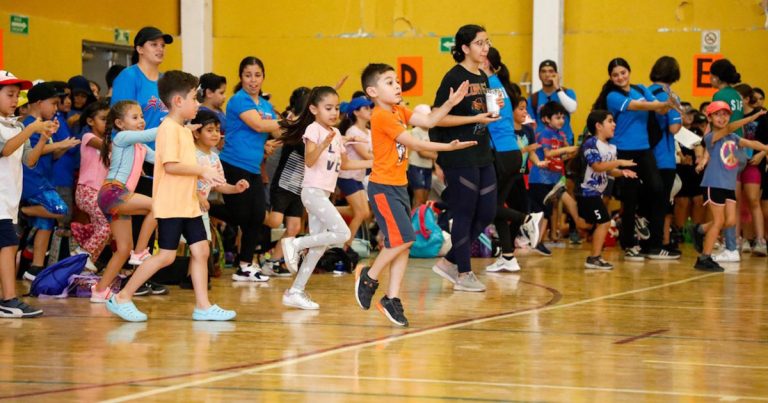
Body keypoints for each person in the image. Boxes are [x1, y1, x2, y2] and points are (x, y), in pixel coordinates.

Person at [354, 62, 476, 326]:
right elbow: (415, 143)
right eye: (389, 82)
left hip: (399, 186)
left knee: (403, 244)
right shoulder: (381, 117)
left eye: (397, 80)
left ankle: (392, 298)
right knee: (403, 240)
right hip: (382, 188)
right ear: (372, 92)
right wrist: (449, 146)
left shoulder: (398, 110)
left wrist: (450, 103)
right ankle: (369, 275)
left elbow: (430, 120)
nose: (397, 85)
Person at [107, 70, 235, 322]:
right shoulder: (167, 129)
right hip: (172, 204)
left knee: (201, 251)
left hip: (188, 204)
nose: (198, 103)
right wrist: (203, 170)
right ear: (178, 101)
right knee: (165, 256)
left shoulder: (183, 130)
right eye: (194, 98)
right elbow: (171, 166)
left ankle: (203, 306)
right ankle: (122, 297)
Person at [280, 86, 372, 310]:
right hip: (312, 191)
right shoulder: (314, 129)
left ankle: (295, 291)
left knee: (319, 247)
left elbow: (346, 165)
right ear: (314, 109)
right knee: (342, 232)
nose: (334, 112)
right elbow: (309, 161)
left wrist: (374, 163)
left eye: (337, 108)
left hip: (324, 193)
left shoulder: (337, 133)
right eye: (328, 108)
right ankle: (295, 243)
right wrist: (323, 143)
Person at [428, 24, 500, 293]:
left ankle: (449, 261)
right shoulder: (453, 77)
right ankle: (464, 273)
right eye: (480, 43)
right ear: (465, 48)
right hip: (459, 154)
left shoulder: (482, 75)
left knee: (488, 211)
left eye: (487, 42)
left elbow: (483, 112)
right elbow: (437, 117)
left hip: (482, 152)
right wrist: (475, 118)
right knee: (464, 213)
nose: (486, 48)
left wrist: (492, 111)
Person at [592, 57, 676, 261]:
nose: (620, 77)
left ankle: (641, 221)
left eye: (623, 72)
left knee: (657, 187)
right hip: (623, 151)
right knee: (629, 199)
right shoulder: (613, 96)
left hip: (644, 149)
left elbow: (658, 107)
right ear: (611, 78)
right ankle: (628, 243)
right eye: (615, 75)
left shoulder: (640, 88)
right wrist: (662, 103)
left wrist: (668, 105)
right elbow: (638, 106)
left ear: (629, 72)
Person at [89, 100, 160, 303]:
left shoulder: (140, 146)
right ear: (120, 123)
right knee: (157, 205)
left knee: (122, 249)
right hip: (113, 192)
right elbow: (152, 134)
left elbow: (161, 159)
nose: (141, 121)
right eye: (135, 117)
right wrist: (175, 125)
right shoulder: (121, 137)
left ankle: (100, 290)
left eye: (142, 117)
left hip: (118, 197)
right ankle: (140, 252)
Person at [220, 56, 281, 282]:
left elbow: (277, 133)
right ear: (241, 77)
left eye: (257, 75)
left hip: (254, 168)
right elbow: (259, 125)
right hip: (233, 164)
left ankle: (245, 265)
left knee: (256, 217)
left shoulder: (265, 106)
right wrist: (288, 122)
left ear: (263, 77)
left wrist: (301, 126)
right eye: (248, 75)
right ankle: (207, 207)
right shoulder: (238, 100)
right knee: (242, 215)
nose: (253, 80)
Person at [0, 71, 56, 317]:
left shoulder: (18, 126)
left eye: (17, 95)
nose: (15, 100)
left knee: (9, 246)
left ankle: (7, 298)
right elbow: (5, 149)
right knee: (9, 245)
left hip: (10, 200)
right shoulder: (19, 128)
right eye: (9, 95)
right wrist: (31, 128)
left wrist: (42, 138)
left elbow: (29, 161)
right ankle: (9, 299)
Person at [481, 53, 542, 272]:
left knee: (486, 206)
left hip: (502, 153)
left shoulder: (491, 85)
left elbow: (491, 118)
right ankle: (508, 257)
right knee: (496, 207)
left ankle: (527, 219)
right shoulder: (498, 85)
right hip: (510, 153)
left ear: (486, 62)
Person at [692, 102, 768, 271]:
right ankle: (704, 258)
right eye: (718, 114)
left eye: (725, 114)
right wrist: (753, 117)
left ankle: (700, 229)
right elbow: (731, 127)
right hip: (714, 183)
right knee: (719, 221)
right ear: (710, 118)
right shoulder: (711, 137)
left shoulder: (732, 137)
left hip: (728, 185)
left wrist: (765, 148)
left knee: (731, 221)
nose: (722, 118)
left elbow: (751, 144)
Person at [20, 82, 80, 280]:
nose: (56, 108)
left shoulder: (45, 125)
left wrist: (62, 147)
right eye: (53, 103)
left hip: (44, 178)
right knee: (59, 210)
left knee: (46, 222)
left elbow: (51, 156)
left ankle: (36, 268)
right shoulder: (28, 124)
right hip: (31, 180)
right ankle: (22, 211)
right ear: (38, 103)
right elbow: (30, 153)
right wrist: (59, 144)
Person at [189, 109, 250, 285]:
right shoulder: (190, 153)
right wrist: (197, 197)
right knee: (176, 249)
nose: (216, 134)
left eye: (217, 130)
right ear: (196, 132)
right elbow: (184, 180)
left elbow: (219, 185)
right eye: (209, 130)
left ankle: (193, 279)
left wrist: (235, 188)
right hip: (185, 206)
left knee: (202, 246)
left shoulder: (215, 157)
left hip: (201, 209)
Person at [578, 110, 638, 269]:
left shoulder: (611, 147)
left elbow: (608, 170)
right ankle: (594, 258)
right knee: (604, 221)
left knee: (595, 223)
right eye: (610, 121)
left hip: (597, 193)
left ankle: (595, 256)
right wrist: (619, 162)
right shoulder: (591, 143)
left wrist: (622, 172)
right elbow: (597, 166)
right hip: (587, 191)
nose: (614, 124)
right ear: (598, 126)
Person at [526, 102, 579, 255]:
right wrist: (567, 149)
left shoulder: (561, 134)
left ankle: (539, 241)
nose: (561, 120)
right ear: (546, 119)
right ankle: (536, 240)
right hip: (539, 179)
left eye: (563, 117)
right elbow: (548, 154)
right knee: (540, 212)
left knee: (547, 212)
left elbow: (563, 155)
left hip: (554, 179)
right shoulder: (544, 134)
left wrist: (574, 152)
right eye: (557, 117)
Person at [708, 59, 745, 262]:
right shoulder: (737, 95)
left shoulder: (720, 95)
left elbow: (719, 125)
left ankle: (730, 247)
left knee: (725, 198)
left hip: (726, 150)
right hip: (739, 149)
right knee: (731, 198)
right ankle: (732, 244)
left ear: (716, 77)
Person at [647, 56, 683, 252]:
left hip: (644, 154)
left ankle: (643, 244)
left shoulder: (645, 92)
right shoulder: (669, 96)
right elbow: (674, 128)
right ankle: (656, 245)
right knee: (660, 204)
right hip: (664, 156)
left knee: (645, 203)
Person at [71, 100, 111, 271]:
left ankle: (84, 267)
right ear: (90, 121)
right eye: (103, 119)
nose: (107, 123)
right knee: (106, 226)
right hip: (87, 191)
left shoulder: (109, 143)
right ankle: (83, 252)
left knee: (105, 231)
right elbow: (107, 146)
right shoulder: (88, 137)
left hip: (99, 193)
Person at [734, 83, 767, 256]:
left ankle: (760, 240)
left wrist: (762, 154)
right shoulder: (734, 116)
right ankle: (739, 239)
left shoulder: (761, 115)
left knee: (753, 201)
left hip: (753, 163)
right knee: (737, 202)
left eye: (738, 97)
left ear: (746, 98)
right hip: (736, 164)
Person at [337, 95, 374, 248]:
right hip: (347, 176)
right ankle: (345, 247)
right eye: (365, 108)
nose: (369, 110)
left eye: (369, 107)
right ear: (356, 112)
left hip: (357, 176)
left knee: (365, 213)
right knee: (360, 213)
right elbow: (366, 154)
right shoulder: (353, 131)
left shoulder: (368, 131)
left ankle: (327, 210)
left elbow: (372, 152)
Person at [528, 60, 578, 145]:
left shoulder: (567, 92)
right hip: (543, 145)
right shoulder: (533, 98)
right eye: (543, 71)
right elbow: (531, 124)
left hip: (565, 144)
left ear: (556, 74)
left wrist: (557, 88)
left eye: (551, 71)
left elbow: (572, 109)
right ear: (539, 75)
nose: (547, 75)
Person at [197, 73, 227, 137]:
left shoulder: (219, 110)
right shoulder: (201, 113)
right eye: (221, 93)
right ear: (209, 93)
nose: (225, 96)